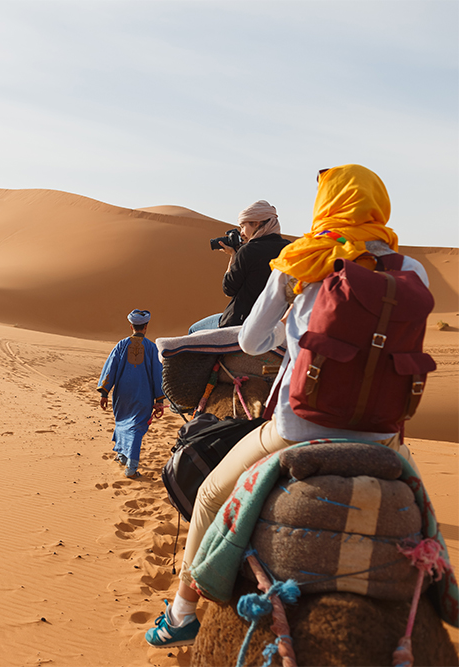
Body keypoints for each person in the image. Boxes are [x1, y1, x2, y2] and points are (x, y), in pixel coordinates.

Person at [146, 164, 430, 648]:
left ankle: (181, 613)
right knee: (420, 510)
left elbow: (255, 342)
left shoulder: (305, 259)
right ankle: (444, 594)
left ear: (328, 206)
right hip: (384, 433)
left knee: (214, 494)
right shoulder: (410, 270)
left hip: (298, 429)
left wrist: (290, 326)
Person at [188, 201, 290, 333]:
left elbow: (228, 289)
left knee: (194, 330)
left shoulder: (248, 250)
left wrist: (233, 256)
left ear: (257, 223)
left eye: (243, 226)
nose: (242, 233)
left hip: (241, 321)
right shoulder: (289, 249)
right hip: (277, 321)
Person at [97, 309, 166, 479]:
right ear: (146, 327)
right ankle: (131, 467)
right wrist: (159, 399)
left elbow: (110, 369)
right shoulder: (151, 348)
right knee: (135, 427)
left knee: (122, 423)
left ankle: (122, 456)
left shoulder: (121, 345)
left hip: (122, 395)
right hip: (143, 395)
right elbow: (158, 374)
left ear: (131, 326)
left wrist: (104, 392)